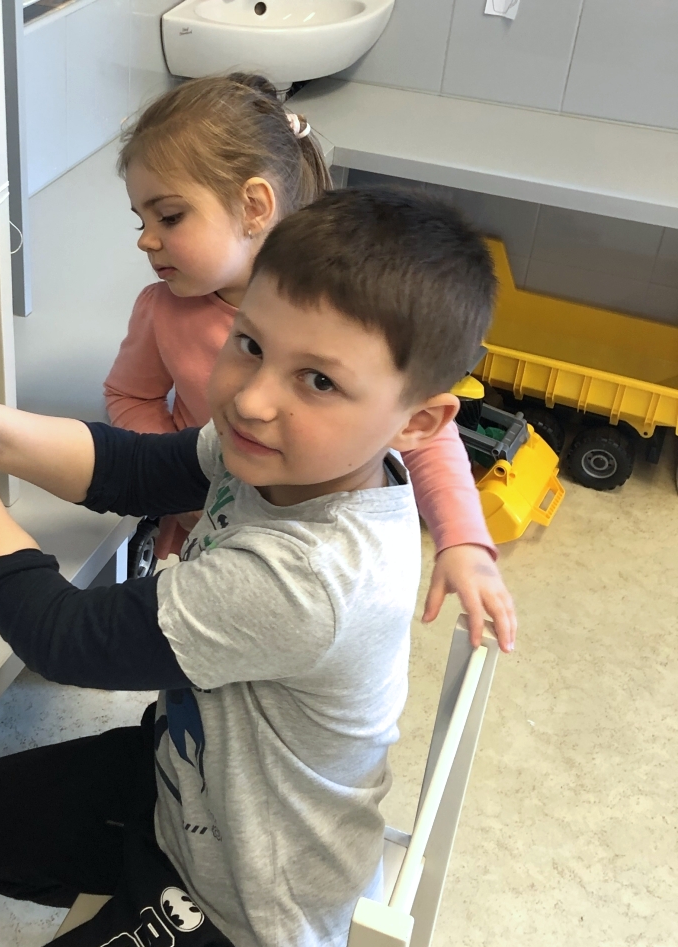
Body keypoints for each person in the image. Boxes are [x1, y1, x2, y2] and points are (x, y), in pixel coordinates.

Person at [0, 188, 499, 947]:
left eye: (318, 380)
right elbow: (132, 468)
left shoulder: (309, 579)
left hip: (254, 938)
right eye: (249, 345)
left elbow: (62, 638)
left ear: (417, 422)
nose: (252, 398)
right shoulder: (285, 460)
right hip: (200, 807)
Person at [104, 74, 515, 652]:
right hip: (213, 524)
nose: (146, 241)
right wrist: (179, 482)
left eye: (169, 217)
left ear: (253, 207)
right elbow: (131, 396)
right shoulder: (160, 310)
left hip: (308, 547)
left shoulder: (347, 316)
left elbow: (424, 431)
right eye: (140, 220)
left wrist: (462, 539)